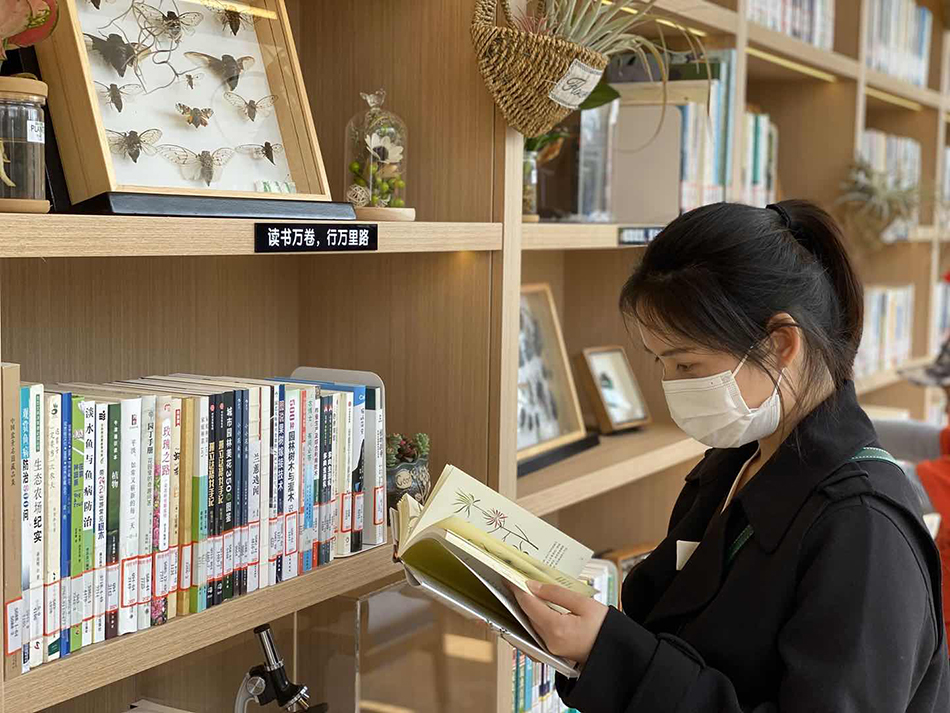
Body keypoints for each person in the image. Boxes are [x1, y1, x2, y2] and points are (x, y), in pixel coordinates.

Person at [512, 200, 950, 712]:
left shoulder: (864, 527)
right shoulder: (739, 461)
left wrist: (608, 653)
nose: (670, 386)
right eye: (662, 363)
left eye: (688, 365)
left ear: (782, 343)